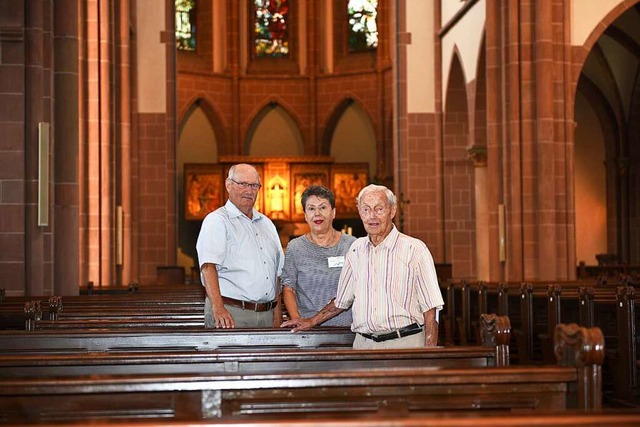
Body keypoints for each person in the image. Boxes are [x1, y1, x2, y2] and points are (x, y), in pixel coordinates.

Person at [281, 184, 444, 349]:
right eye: (366, 210)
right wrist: (311, 322)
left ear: (392, 210)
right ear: (360, 213)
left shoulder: (414, 249)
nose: (372, 216)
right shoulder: (356, 249)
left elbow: (431, 308)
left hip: (404, 342)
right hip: (363, 344)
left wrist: (429, 352)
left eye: (379, 209)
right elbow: (341, 301)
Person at [196, 163, 284, 328]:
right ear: (228, 185)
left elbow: (275, 275)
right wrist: (218, 308)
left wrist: (277, 314)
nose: (249, 190)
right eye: (243, 184)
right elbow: (208, 267)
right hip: (231, 313)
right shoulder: (217, 221)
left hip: (266, 314)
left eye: (254, 185)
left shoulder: (267, 224)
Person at [280, 185, 356, 326]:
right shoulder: (295, 247)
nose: (317, 213)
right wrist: (296, 319)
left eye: (323, 207)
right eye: (311, 208)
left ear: (333, 212)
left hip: (346, 329)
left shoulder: (352, 245)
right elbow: (288, 287)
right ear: (305, 215)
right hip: (307, 330)